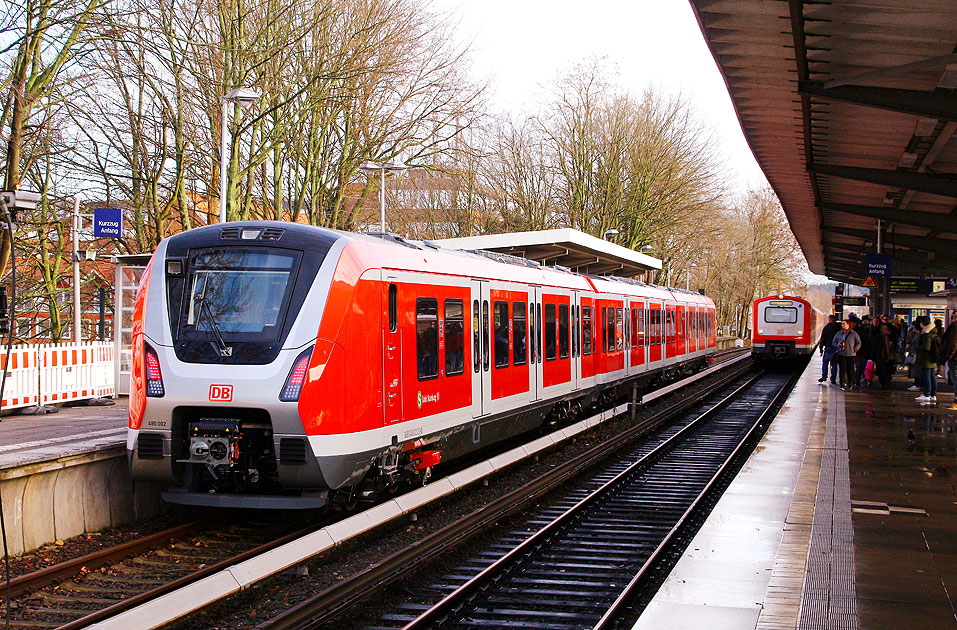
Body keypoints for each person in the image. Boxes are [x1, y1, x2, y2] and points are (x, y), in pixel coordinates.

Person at [915, 315, 940, 403]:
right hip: (932, 358)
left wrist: (917, 347)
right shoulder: (933, 331)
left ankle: (927, 394)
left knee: (927, 376)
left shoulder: (926, 333)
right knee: (932, 376)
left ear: (922, 324)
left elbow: (926, 347)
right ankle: (933, 394)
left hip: (926, 358)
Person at [833, 319, 861, 391]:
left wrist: (855, 349)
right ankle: (842, 384)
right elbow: (833, 342)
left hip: (851, 355)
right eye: (842, 324)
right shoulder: (839, 333)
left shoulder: (853, 333)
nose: (842, 325)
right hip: (841, 354)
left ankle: (850, 383)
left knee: (850, 370)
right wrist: (838, 345)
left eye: (844, 324)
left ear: (848, 325)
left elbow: (859, 342)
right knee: (842, 370)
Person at [939, 313, 957, 410]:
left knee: (956, 378)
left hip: (955, 358)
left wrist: (948, 356)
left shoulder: (955, 327)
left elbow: (953, 343)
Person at [818, 315, 841, 384]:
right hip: (836, 348)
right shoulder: (839, 327)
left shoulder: (826, 327)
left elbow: (823, 339)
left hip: (828, 348)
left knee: (825, 363)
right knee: (834, 364)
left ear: (829, 320)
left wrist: (821, 348)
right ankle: (833, 379)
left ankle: (824, 376)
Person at [905, 320, 923, 391]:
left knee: (916, 372)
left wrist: (909, 347)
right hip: (916, 355)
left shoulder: (918, 336)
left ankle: (917, 385)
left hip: (915, 355)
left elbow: (914, 345)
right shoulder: (918, 336)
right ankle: (917, 384)